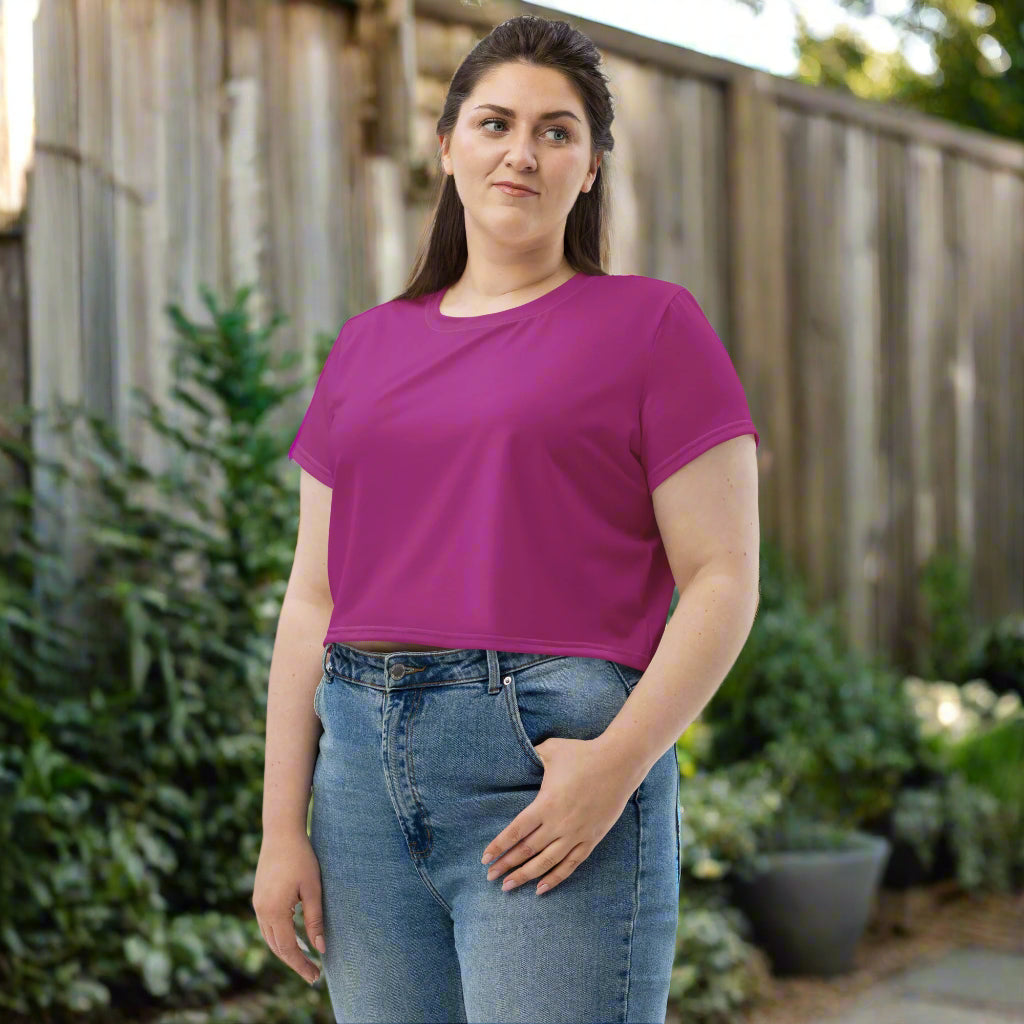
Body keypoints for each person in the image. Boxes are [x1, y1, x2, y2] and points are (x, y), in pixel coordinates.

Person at [253, 13, 760, 1023]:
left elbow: (723, 577)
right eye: (493, 122)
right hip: (358, 782)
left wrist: (616, 769)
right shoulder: (367, 344)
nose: (520, 152)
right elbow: (312, 594)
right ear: (446, 148)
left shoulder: (651, 327)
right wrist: (280, 827)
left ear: (591, 168)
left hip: (546, 775)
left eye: (557, 130)